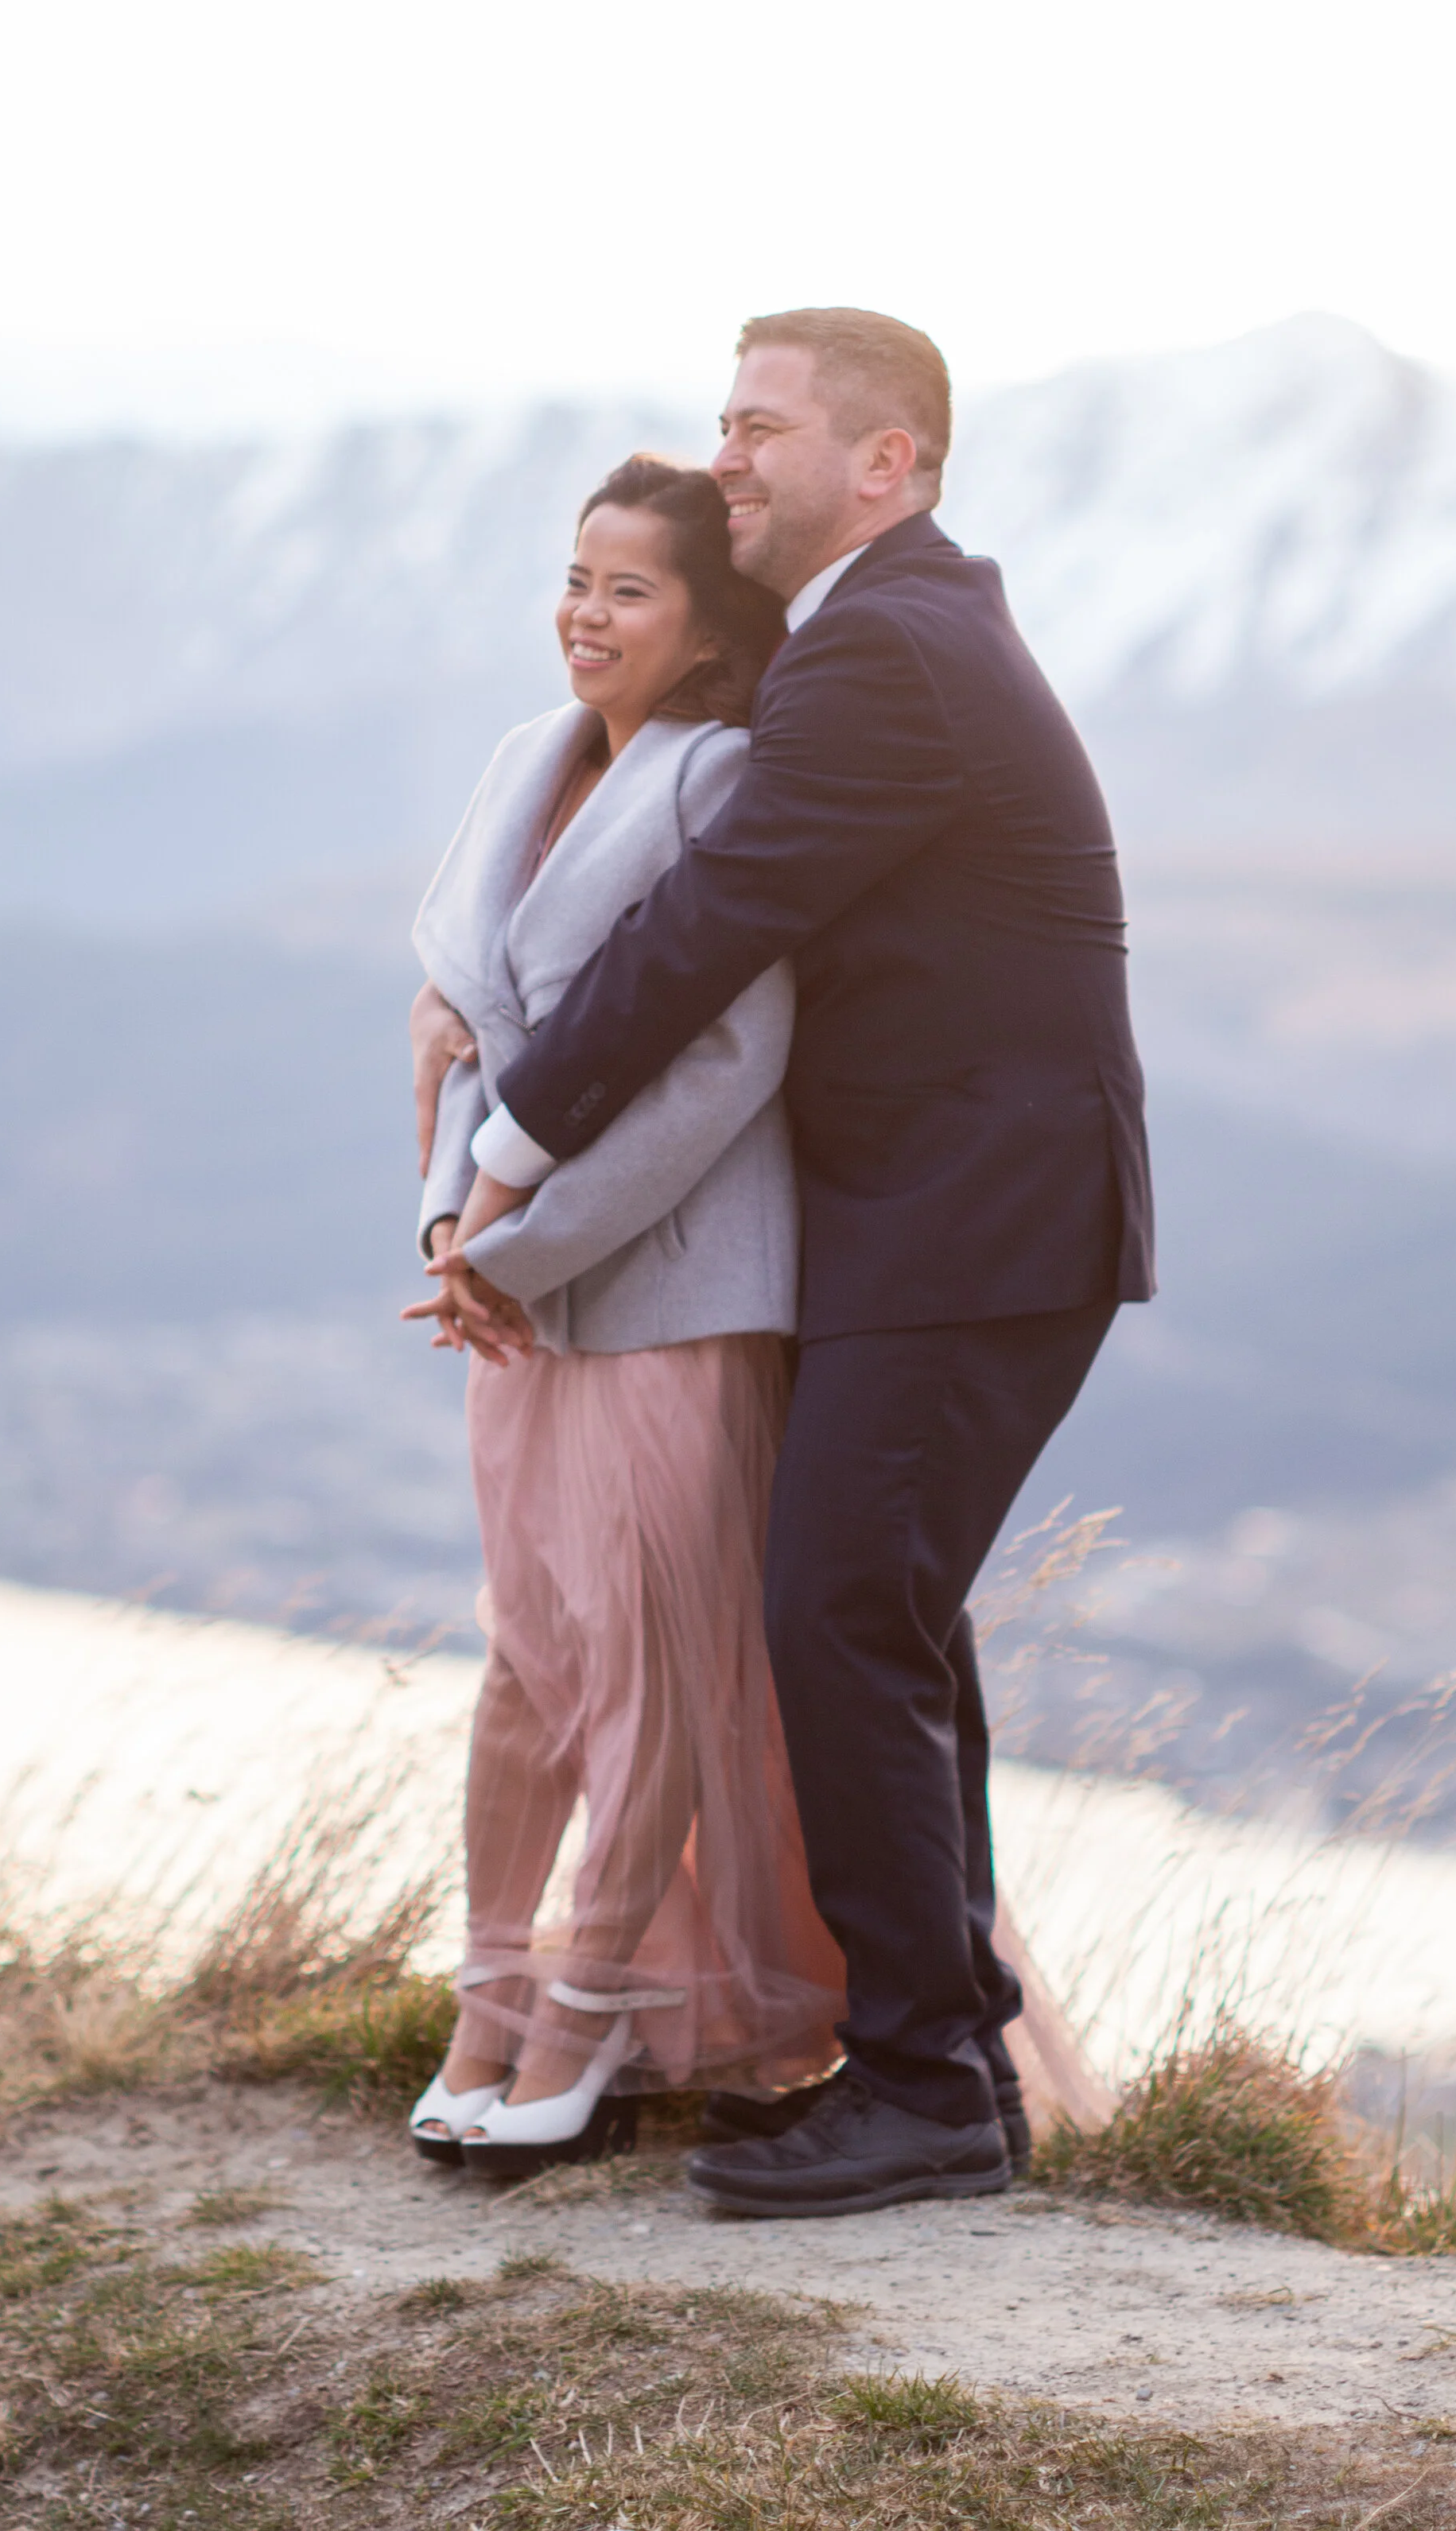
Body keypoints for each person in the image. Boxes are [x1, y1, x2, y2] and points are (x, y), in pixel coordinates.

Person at [422, 308, 1154, 2217]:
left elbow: (705, 932)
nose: (726, 457)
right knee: (876, 1617)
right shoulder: (883, 638)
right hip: (944, 1215)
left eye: (759, 430)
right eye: (721, 426)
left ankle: (918, 2086)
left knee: (832, 1608)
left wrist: (508, 1151)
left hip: (971, 1219)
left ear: (884, 463)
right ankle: (949, 2063)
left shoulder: (888, 657)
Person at [400, 454, 846, 2182]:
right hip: (501, 1280)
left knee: (655, 1672)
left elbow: (722, 1063)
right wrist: (450, 1217)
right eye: (574, 579)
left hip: (668, 1287)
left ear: (707, 623)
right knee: (530, 1667)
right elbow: (460, 1018)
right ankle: (488, 1997)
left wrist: (523, 1241)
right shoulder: (524, 759)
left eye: (628, 589)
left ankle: (589, 2025)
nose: (583, 614)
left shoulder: (718, 781)